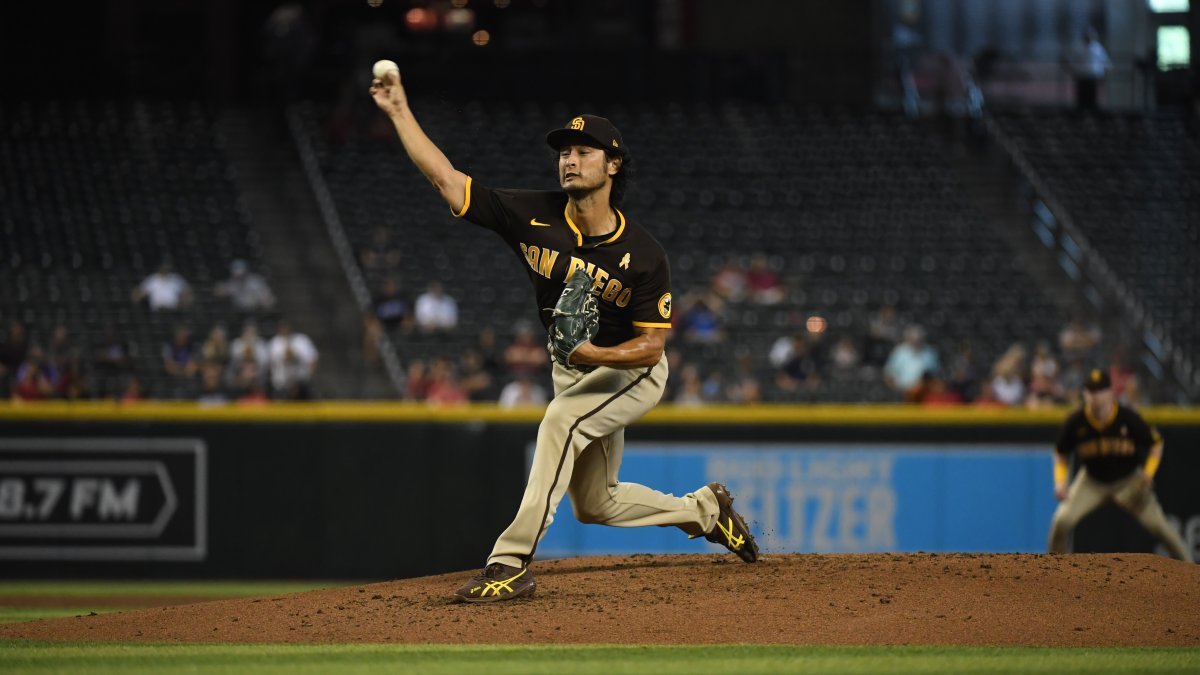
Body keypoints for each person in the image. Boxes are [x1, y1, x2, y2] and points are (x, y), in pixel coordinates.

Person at [370, 66, 758, 603]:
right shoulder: (532, 213)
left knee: (560, 420)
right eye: (564, 152)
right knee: (596, 503)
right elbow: (446, 178)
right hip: (573, 368)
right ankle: (705, 511)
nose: (569, 159)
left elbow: (652, 345)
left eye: (584, 150)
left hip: (629, 370)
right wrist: (399, 112)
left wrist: (595, 351)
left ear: (613, 165)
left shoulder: (643, 254)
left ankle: (509, 561)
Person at [1047, 369, 1192, 562]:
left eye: (1100, 390)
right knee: (1061, 521)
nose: (1095, 396)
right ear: (1084, 393)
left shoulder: (1126, 417)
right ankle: (1053, 570)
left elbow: (1156, 443)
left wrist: (1148, 474)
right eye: (1090, 391)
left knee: (1162, 529)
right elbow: (1061, 452)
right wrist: (1060, 481)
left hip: (1129, 482)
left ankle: (1192, 571)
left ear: (1110, 392)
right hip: (1092, 482)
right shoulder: (1077, 421)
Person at [268, 320, 319, 400]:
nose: (284, 329)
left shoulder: (302, 340)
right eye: (282, 327)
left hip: (301, 384)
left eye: (286, 327)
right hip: (282, 386)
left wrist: (309, 378)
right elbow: (271, 364)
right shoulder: (275, 343)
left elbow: (312, 360)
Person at [1070, 28, 1110, 112]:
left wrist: (1105, 75)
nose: (1089, 37)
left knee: (1093, 97)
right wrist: (1073, 72)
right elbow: (1072, 61)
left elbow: (1105, 62)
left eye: (1091, 36)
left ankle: (1092, 113)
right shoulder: (1078, 47)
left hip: (1094, 76)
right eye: (1087, 36)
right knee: (1081, 97)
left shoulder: (1098, 48)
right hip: (1082, 76)